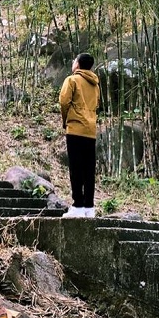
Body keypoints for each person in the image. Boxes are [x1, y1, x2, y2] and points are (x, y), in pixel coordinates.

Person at [58, 52, 100, 218]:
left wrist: (66, 119)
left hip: (75, 129)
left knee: (76, 168)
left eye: (74, 60)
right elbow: (97, 104)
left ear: (78, 64)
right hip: (91, 130)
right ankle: (89, 207)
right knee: (89, 169)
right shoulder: (95, 84)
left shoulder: (72, 80)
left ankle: (77, 205)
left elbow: (63, 101)